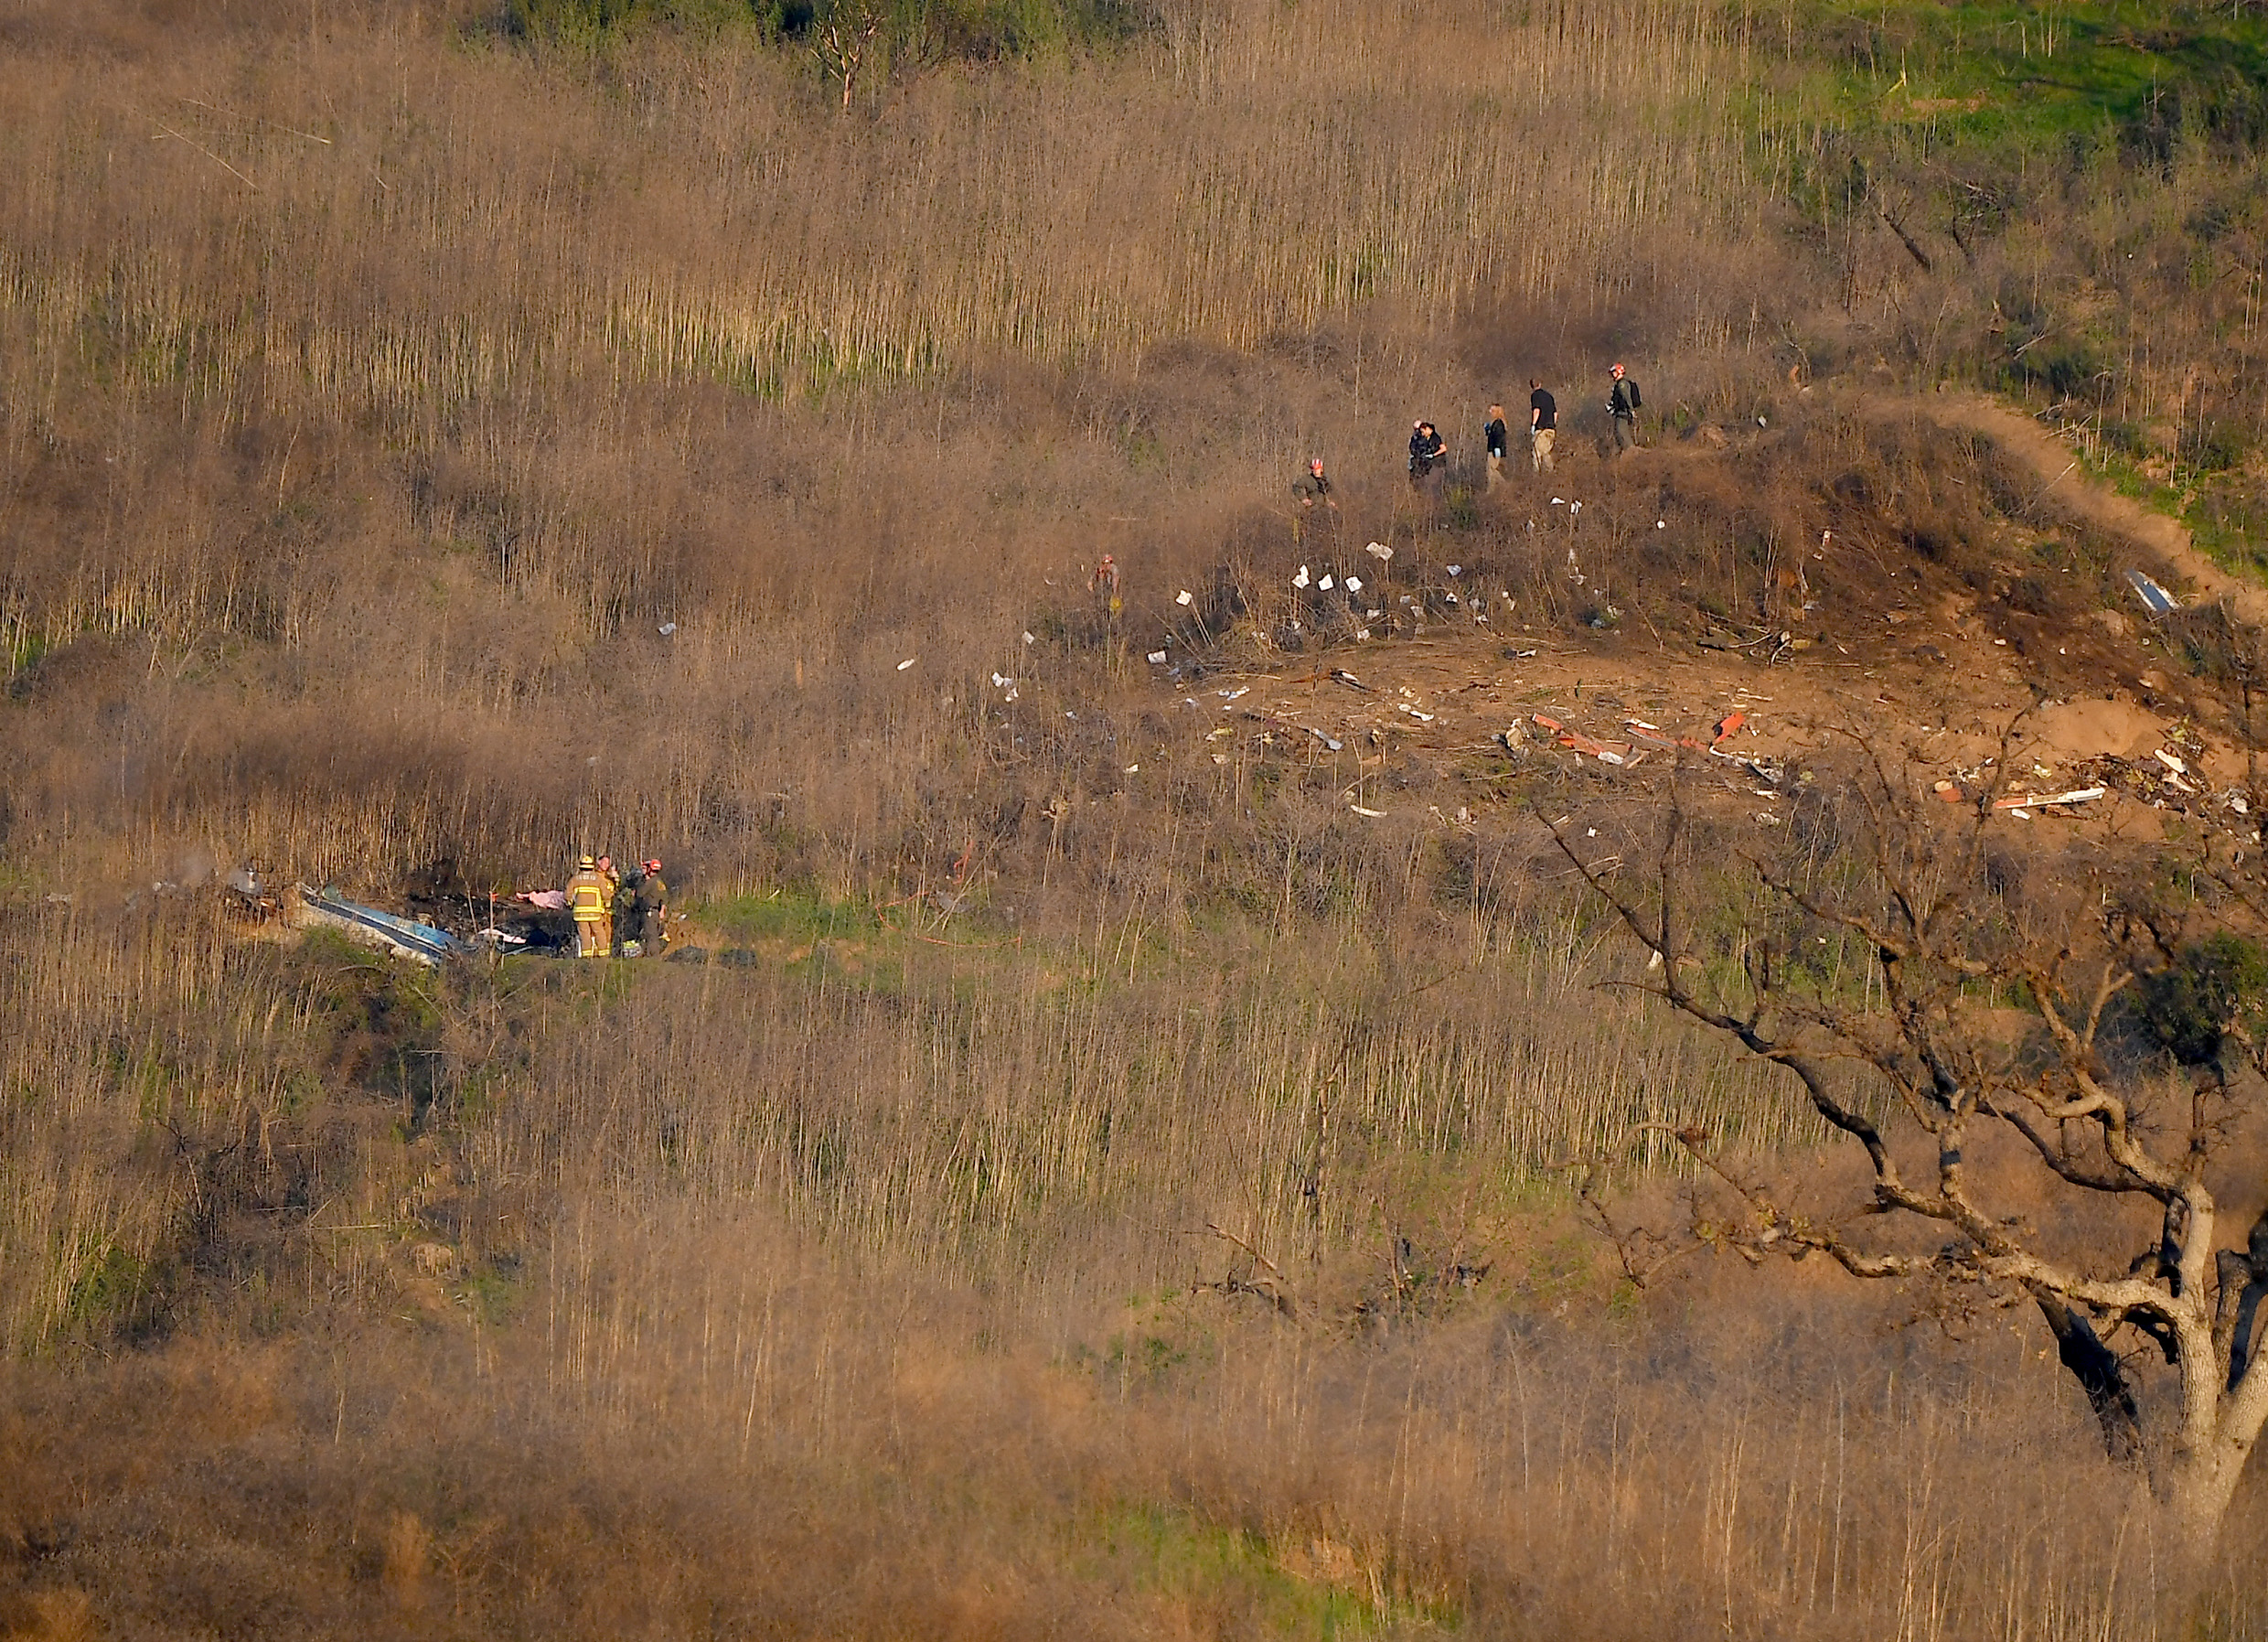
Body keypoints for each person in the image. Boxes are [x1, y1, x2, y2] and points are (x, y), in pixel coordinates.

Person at [566, 854, 612, 959]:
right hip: (595, 913)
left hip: (580, 914)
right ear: (592, 866)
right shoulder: (598, 879)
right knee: (599, 933)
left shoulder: (575, 879)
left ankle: (586, 956)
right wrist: (607, 904)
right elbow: (606, 894)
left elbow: (568, 895)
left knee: (585, 934)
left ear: (581, 867)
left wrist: (571, 904)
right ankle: (604, 956)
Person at [1290, 457, 1336, 542]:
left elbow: (1333, 492)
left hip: (1327, 508)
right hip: (1313, 508)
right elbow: (1296, 487)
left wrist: (1331, 501)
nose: (1315, 471)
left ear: (1321, 469)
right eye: (1313, 469)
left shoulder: (1327, 479)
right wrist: (1303, 499)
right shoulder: (1307, 479)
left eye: (1317, 469)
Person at [633, 859, 669, 954]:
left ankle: (652, 957)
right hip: (655, 912)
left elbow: (640, 893)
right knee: (653, 934)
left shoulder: (650, 882)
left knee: (650, 935)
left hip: (649, 912)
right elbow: (664, 897)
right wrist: (662, 911)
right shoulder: (659, 882)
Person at [1608, 363, 1642, 455]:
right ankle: (1622, 453)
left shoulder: (1622, 384)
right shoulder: (1619, 384)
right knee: (1618, 433)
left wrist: (1631, 411)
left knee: (1621, 432)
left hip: (1624, 413)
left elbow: (1627, 397)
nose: (1612, 375)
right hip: (1620, 413)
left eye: (1614, 372)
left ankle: (1632, 452)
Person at [1407, 420, 1446, 490]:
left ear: (1427, 429)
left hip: (1437, 464)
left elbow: (1443, 448)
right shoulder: (1417, 438)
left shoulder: (1435, 438)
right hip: (1429, 463)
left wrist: (1433, 455)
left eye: (1422, 431)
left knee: (1434, 484)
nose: (1421, 434)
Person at [1528, 378, 1557, 472]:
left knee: (1537, 453)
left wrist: (1533, 425)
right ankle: (1550, 475)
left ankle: (1538, 477)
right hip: (1551, 429)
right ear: (1540, 383)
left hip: (1541, 430)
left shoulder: (1535, 396)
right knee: (1546, 451)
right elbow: (1555, 414)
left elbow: (1537, 411)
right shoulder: (1549, 396)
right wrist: (1553, 425)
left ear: (1531, 386)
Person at [1483, 405, 1509, 488]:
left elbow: (1499, 436)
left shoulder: (1498, 423)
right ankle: (1492, 489)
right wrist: (1488, 430)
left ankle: (1505, 486)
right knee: (1490, 471)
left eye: (1492, 410)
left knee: (1491, 470)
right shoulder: (1494, 423)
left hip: (1494, 450)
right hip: (1492, 449)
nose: (1490, 412)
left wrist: (1497, 447)